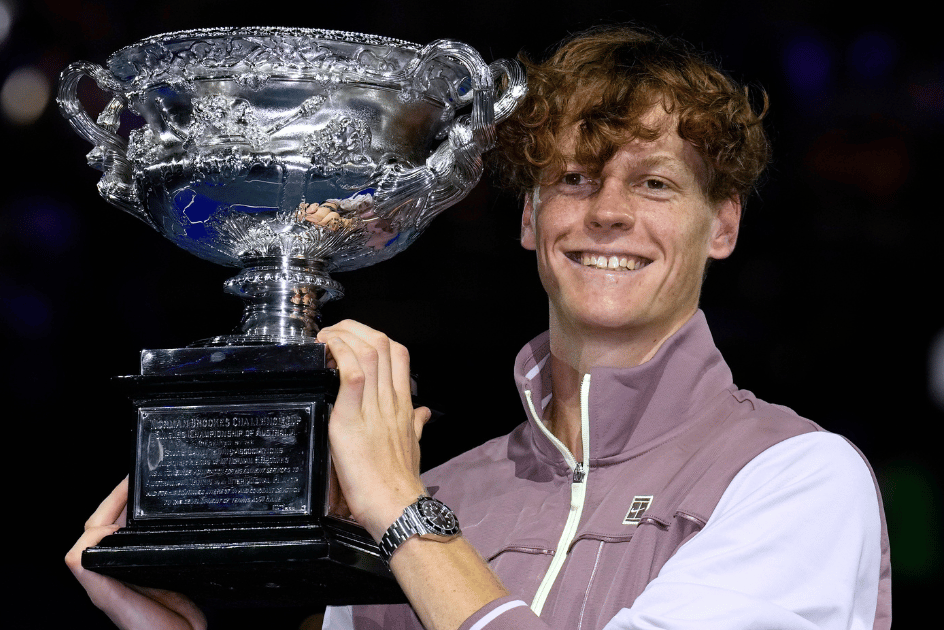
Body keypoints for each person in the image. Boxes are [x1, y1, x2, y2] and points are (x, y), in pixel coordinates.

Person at [66, 26, 891, 630]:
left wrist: (399, 504)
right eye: (574, 178)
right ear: (531, 219)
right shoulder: (444, 500)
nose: (607, 213)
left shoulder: (796, 480)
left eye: (655, 184)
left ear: (723, 226)